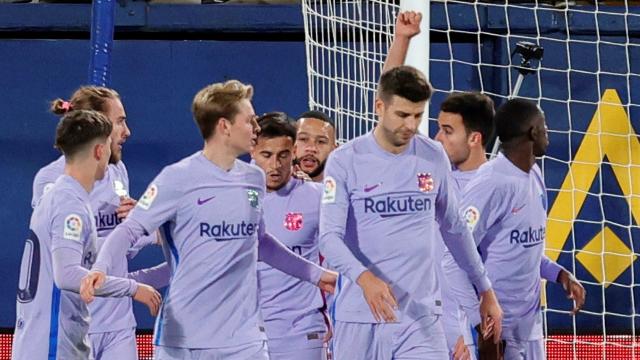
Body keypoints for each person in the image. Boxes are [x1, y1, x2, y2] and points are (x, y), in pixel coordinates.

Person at [81, 80, 337, 360]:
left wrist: (317, 275)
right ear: (224, 126)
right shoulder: (177, 178)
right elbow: (129, 230)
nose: (256, 128)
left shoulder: (254, 180)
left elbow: (260, 242)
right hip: (184, 341)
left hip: (244, 341)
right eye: (249, 121)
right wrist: (101, 269)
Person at [319, 65, 503, 359]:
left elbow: (455, 229)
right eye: (402, 115)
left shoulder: (432, 156)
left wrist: (485, 290)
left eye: (417, 115)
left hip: (420, 318)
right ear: (380, 106)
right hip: (360, 316)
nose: (411, 124)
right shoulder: (345, 160)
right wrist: (365, 279)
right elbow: (329, 238)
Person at [31, 86, 167, 359]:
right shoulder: (53, 182)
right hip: (73, 325)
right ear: (97, 125)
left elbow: (123, 252)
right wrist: (140, 236)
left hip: (118, 324)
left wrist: (140, 224)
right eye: (120, 122)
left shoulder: (117, 170)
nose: (127, 131)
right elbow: (67, 258)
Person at [460, 99, 585, 359]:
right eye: (543, 125)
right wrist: (478, 323)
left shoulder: (535, 175)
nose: (547, 130)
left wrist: (559, 274)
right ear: (532, 132)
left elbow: (521, 248)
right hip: (496, 329)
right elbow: (455, 255)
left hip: (529, 325)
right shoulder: (491, 182)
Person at [251, 112, 329, 359]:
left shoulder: (317, 197)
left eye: (283, 156)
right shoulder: (233, 196)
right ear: (252, 151)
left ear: (293, 151)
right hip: (246, 334)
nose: (275, 165)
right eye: (266, 155)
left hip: (302, 334)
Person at [293, 110, 337, 182]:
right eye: (303, 139)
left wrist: (312, 190)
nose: (311, 148)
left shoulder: (344, 189)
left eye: (321, 141)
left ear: (334, 151)